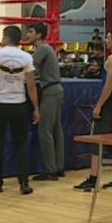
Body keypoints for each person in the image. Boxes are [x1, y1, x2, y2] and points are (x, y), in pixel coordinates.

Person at [0, 26, 39, 195]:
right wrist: (36, 108)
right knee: (21, 145)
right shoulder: (26, 57)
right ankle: (24, 183)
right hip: (19, 104)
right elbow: (31, 86)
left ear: (6, 38)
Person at [74, 27, 112, 192]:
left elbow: (109, 84)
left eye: (108, 37)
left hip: (109, 103)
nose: (105, 40)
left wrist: (100, 105)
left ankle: (93, 179)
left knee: (97, 140)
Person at [27, 23, 64, 181]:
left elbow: (28, 66)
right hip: (55, 90)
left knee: (45, 130)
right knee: (56, 130)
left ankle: (50, 170)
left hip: (50, 92)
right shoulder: (47, 49)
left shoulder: (42, 49)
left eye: (30, 32)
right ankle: (58, 166)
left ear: (39, 35)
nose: (28, 35)